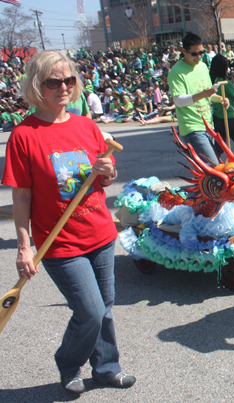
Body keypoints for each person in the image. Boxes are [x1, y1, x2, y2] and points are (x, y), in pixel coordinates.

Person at [1, 50, 136, 394]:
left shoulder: (86, 125)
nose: (63, 87)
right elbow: (21, 197)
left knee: (104, 309)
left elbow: (100, 177)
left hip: (100, 232)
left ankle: (106, 368)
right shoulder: (24, 135)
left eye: (69, 80)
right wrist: (23, 247)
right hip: (59, 243)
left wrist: (108, 172)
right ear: (37, 85)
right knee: (89, 310)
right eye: (53, 81)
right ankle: (68, 362)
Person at [168, 33, 229, 166]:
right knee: (215, 170)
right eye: (194, 53)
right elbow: (178, 101)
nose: (199, 56)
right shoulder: (175, 72)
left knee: (209, 172)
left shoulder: (202, 66)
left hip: (208, 124)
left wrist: (221, 99)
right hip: (192, 127)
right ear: (184, 51)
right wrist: (203, 94)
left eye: (201, 52)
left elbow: (208, 93)